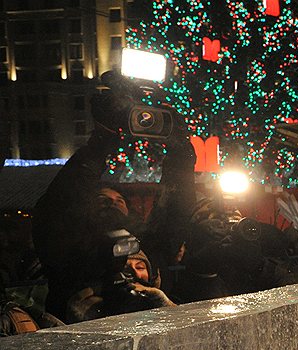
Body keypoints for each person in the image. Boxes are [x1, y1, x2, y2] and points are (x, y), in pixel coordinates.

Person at [32, 71, 192, 322]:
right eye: (103, 200)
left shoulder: (150, 246)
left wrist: (181, 149)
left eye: (119, 201)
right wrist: (102, 138)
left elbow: (179, 210)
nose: (112, 203)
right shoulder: (70, 257)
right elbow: (59, 204)